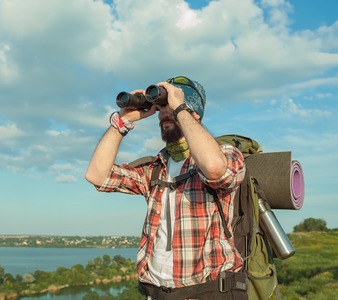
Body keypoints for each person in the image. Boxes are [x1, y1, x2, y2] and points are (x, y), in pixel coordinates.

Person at [85, 76, 247, 300]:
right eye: (160, 108)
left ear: (193, 113)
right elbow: (96, 175)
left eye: (168, 107)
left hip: (208, 292)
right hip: (158, 293)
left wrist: (179, 107)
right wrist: (122, 122)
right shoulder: (155, 168)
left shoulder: (227, 154)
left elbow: (214, 169)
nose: (163, 114)